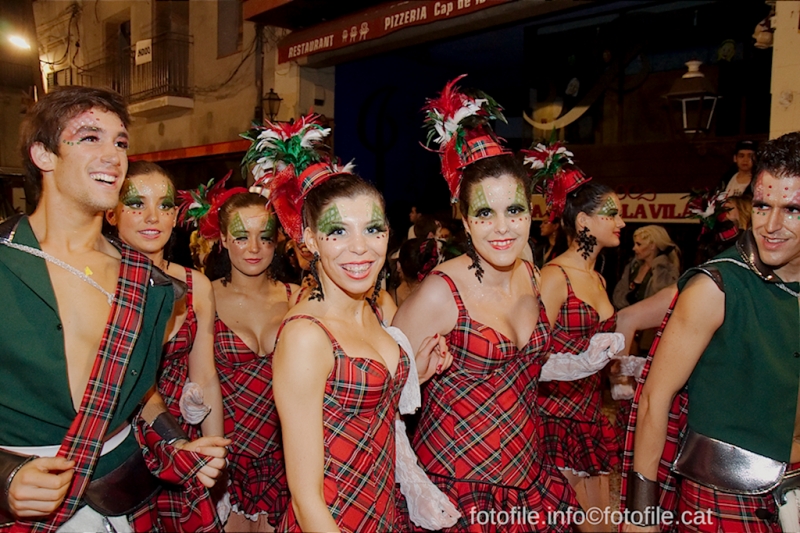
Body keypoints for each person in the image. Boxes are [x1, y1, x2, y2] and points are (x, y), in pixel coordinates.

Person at [0, 86, 228, 532]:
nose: (113, 155)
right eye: (90, 138)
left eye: (120, 142)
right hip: (26, 509)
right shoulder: (6, 262)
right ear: (43, 155)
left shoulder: (152, 284)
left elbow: (137, 392)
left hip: (123, 498)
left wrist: (178, 442)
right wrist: (4, 475)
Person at [393, 77, 583, 532]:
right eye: (485, 213)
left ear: (531, 211)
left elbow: (524, 368)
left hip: (531, 482)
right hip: (459, 491)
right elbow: (383, 398)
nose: (503, 228)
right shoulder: (441, 291)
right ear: (462, 216)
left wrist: (575, 363)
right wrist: (413, 481)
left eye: (514, 211)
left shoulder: (532, 270)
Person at [623, 132, 800, 533]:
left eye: (792, 209)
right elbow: (654, 398)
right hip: (724, 495)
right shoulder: (716, 287)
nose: (772, 225)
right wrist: (642, 515)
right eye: (762, 206)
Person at [525, 141, 625, 532]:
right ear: (583, 221)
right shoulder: (555, 277)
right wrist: (582, 363)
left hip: (589, 420)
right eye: (612, 214)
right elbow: (531, 358)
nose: (620, 222)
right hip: (553, 423)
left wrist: (620, 374)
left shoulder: (597, 278)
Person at [612, 225, 681, 312]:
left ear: (652, 246)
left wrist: (659, 263)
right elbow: (617, 296)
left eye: (639, 244)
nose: (634, 248)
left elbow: (663, 298)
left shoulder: (666, 270)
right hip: (630, 318)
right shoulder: (632, 268)